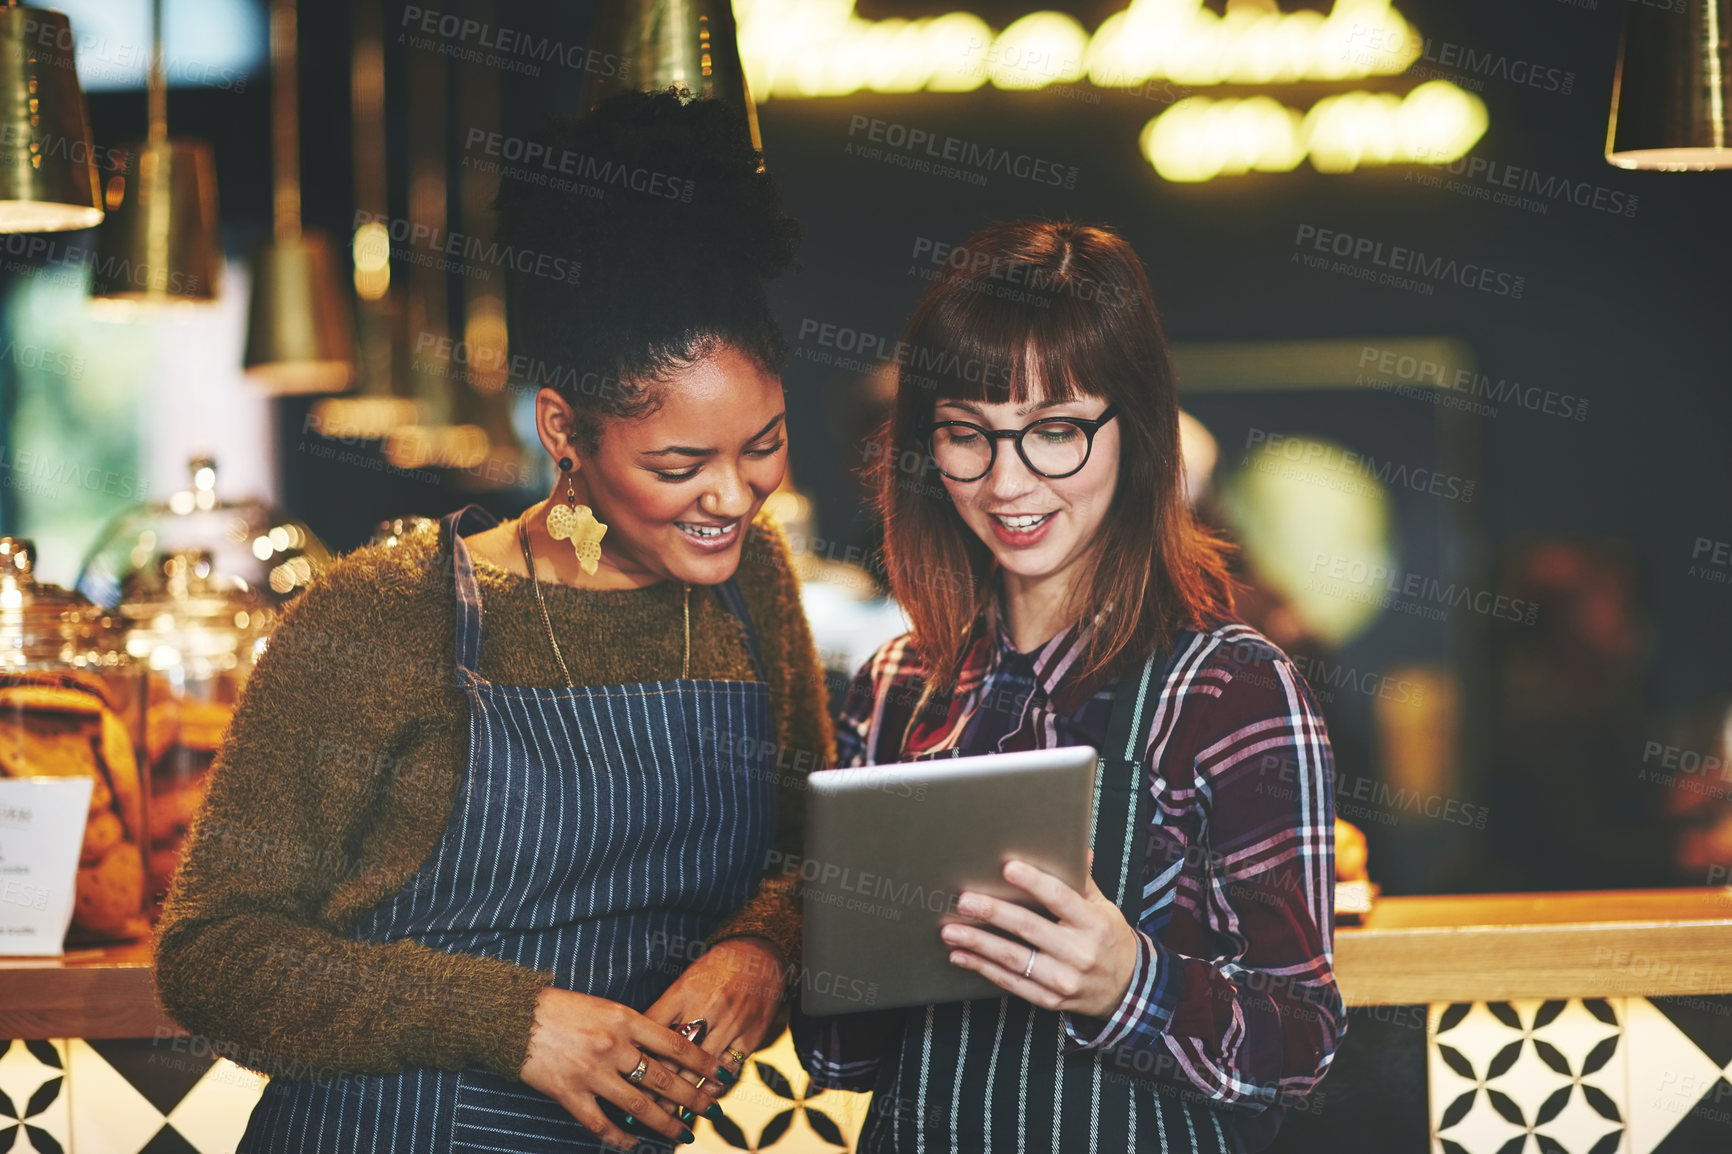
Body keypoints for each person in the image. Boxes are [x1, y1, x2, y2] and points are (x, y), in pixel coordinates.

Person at [154, 90, 833, 1153]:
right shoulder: (383, 615)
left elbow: (812, 860)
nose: (733, 497)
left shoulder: (752, 590)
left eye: (763, 445)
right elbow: (213, 954)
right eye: (678, 464)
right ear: (563, 429)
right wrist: (513, 1022)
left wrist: (763, 951)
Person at [792, 220, 1344, 1152]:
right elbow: (842, 1059)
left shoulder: (1231, 691)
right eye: (968, 436)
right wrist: (836, 949)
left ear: (1137, 427)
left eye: (1055, 432)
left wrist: (1129, 981)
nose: (1008, 482)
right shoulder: (899, 685)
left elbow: (1302, 1043)